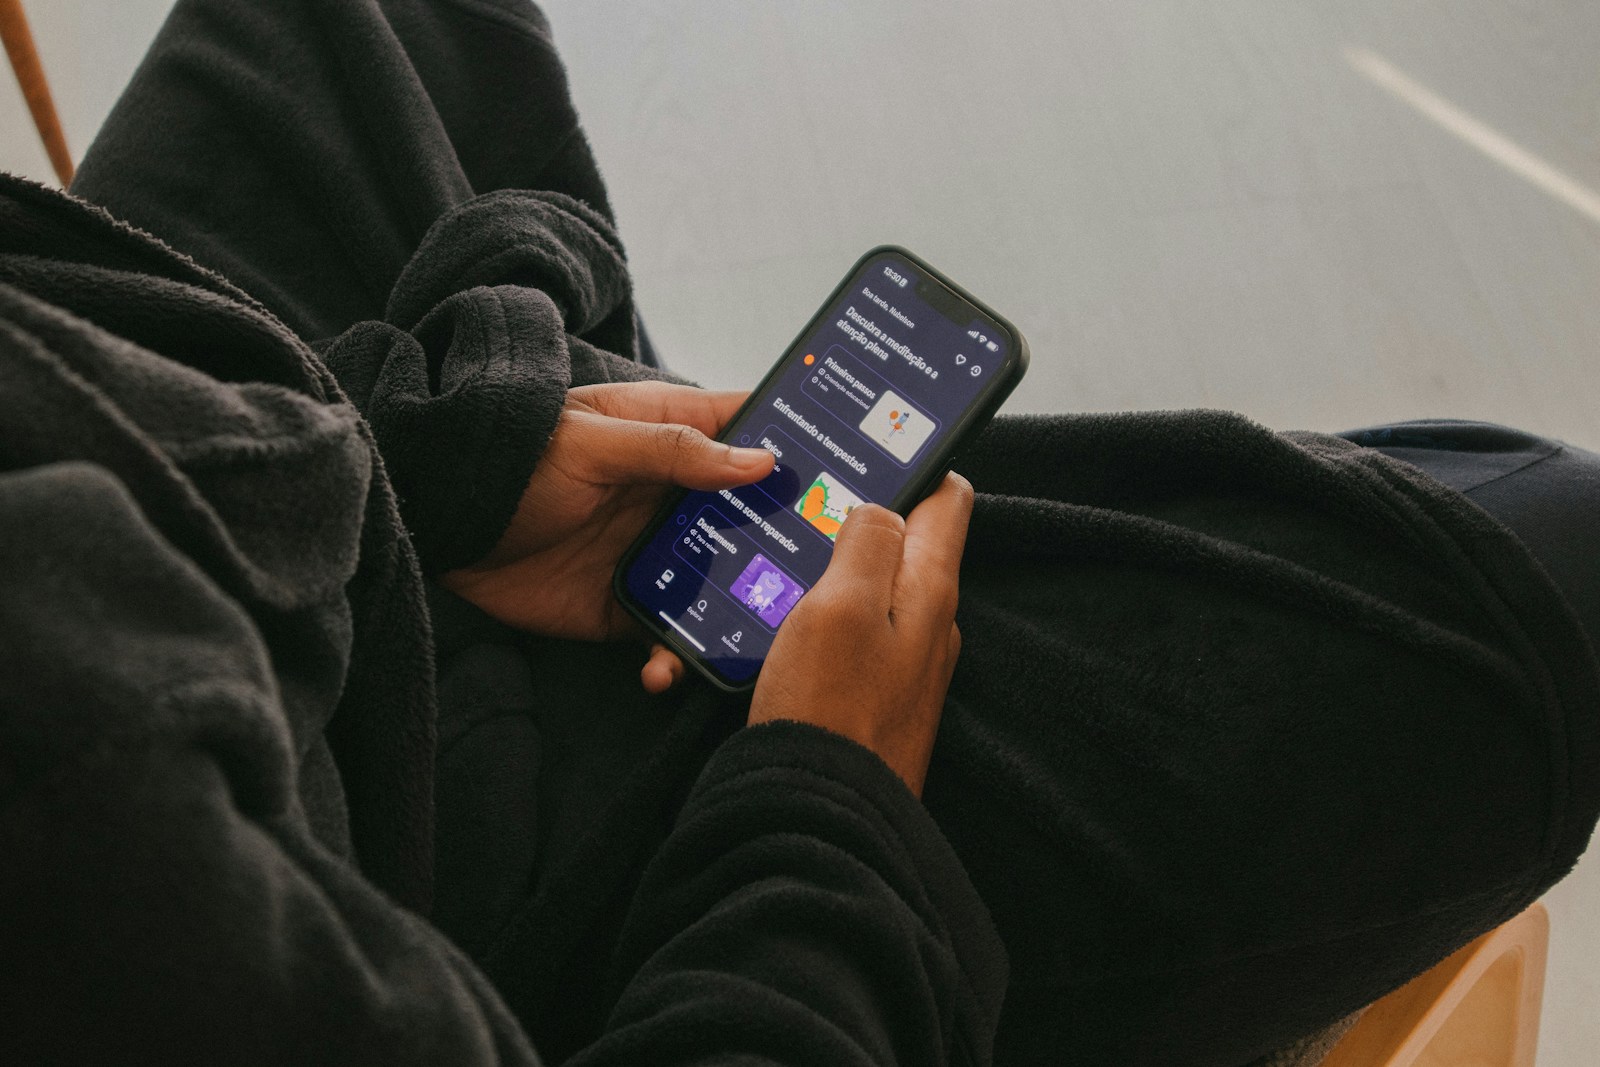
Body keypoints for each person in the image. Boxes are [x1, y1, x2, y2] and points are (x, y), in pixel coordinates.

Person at [1, 1, 1595, 1064]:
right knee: (1552, 547)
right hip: (408, 850)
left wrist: (429, 449)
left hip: (253, 489)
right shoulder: (74, 811)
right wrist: (831, 811)